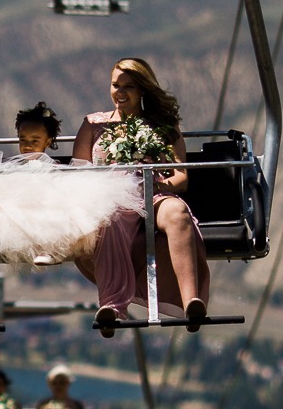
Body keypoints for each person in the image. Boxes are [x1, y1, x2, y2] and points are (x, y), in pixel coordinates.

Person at [72, 57, 210, 335]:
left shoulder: (161, 125)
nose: (120, 93)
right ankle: (112, 305)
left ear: (143, 90)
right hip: (111, 197)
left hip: (153, 192)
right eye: (115, 86)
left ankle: (191, 301)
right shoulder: (93, 124)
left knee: (177, 214)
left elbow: (181, 176)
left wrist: (156, 185)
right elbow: (79, 171)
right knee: (110, 217)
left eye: (129, 87)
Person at [0, 102, 140, 269]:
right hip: (16, 194)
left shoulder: (51, 167)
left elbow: (58, 188)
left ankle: (48, 250)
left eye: (34, 141)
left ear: (47, 142)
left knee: (48, 214)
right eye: (23, 140)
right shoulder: (14, 166)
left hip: (39, 198)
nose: (28, 146)